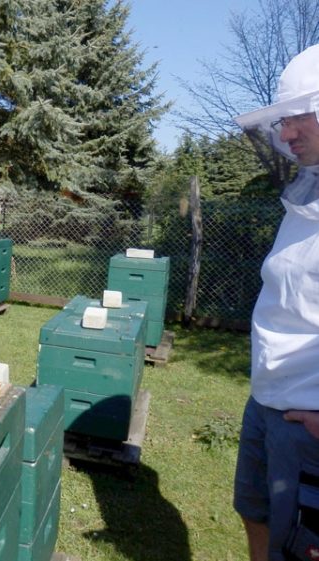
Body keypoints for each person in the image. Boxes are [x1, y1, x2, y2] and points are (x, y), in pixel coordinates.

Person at [234, 44, 319, 561]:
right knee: (255, 511)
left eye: (296, 120)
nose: (285, 135)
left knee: (301, 545)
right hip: (267, 395)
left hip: (308, 415)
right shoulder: (306, 191)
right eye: (281, 122)